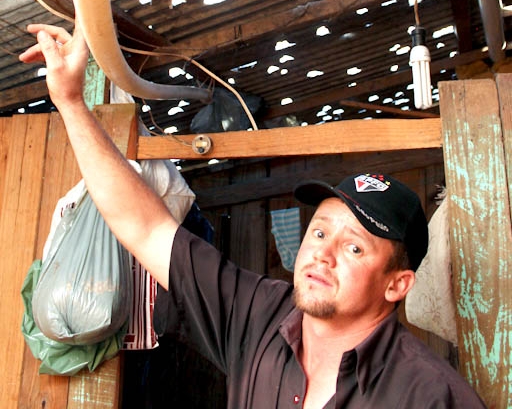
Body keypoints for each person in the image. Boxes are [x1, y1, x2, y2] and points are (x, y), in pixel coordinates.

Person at [20, 22, 487, 409]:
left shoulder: (431, 396)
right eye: (320, 230)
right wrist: (71, 101)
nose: (322, 254)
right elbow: (143, 225)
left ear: (397, 284)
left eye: (354, 246)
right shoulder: (259, 315)